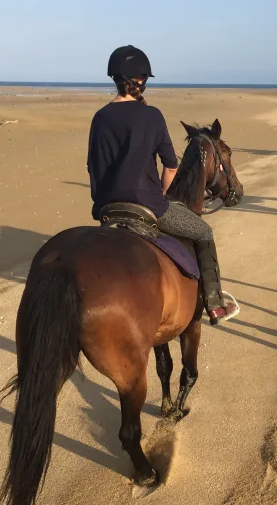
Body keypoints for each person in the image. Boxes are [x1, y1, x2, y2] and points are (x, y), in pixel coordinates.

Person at [86, 45, 239, 325]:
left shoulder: (100, 117)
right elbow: (170, 167)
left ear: (115, 78)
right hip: (147, 205)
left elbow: (93, 166)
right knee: (203, 231)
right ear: (141, 80)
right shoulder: (152, 116)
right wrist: (163, 197)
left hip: (108, 208)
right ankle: (215, 304)